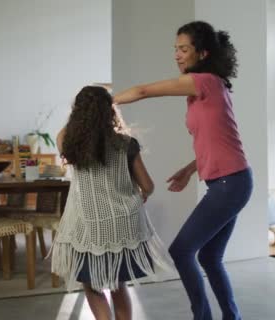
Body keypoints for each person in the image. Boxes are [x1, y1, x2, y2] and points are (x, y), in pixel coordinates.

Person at [112, 21, 253, 320]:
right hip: (230, 181)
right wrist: (191, 169)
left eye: (183, 49)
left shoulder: (203, 81)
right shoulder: (210, 87)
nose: (176, 55)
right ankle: (232, 317)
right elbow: (221, 140)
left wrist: (106, 103)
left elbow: (143, 90)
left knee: (182, 251)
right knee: (210, 257)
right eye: (175, 49)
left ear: (202, 53)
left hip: (230, 184)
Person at [51, 85, 171, 320]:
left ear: (77, 112)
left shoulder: (68, 142)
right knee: (118, 286)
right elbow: (148, 186)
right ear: (109, 111)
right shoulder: (126, 144)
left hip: (89, 227)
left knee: (92, 286)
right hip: (123, 227)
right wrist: (137, 190)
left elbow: (68, 131)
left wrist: (81, 111)